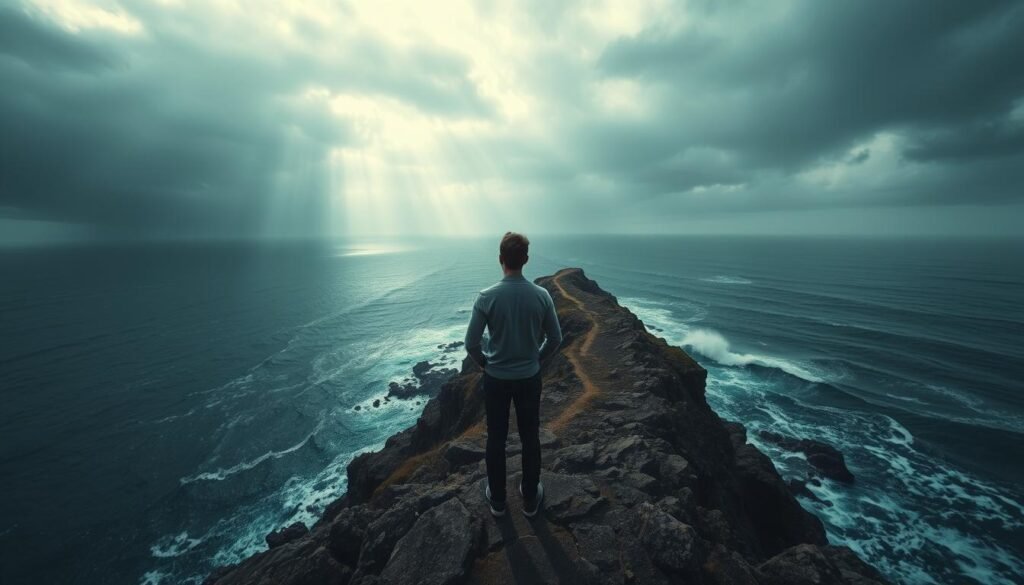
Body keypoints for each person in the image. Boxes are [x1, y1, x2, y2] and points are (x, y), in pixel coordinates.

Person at [465, 232, 562, 518]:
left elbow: (471, 343)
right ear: (526, 260)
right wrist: (537, 359)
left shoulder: (486, 297)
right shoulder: (541, 295)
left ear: (500, 259)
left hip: (496, 379)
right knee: (529, 437)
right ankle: (530, 498)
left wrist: (485, 364)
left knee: (496, 439)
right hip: (529, 377)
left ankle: (497, 500)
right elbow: (555, 338)